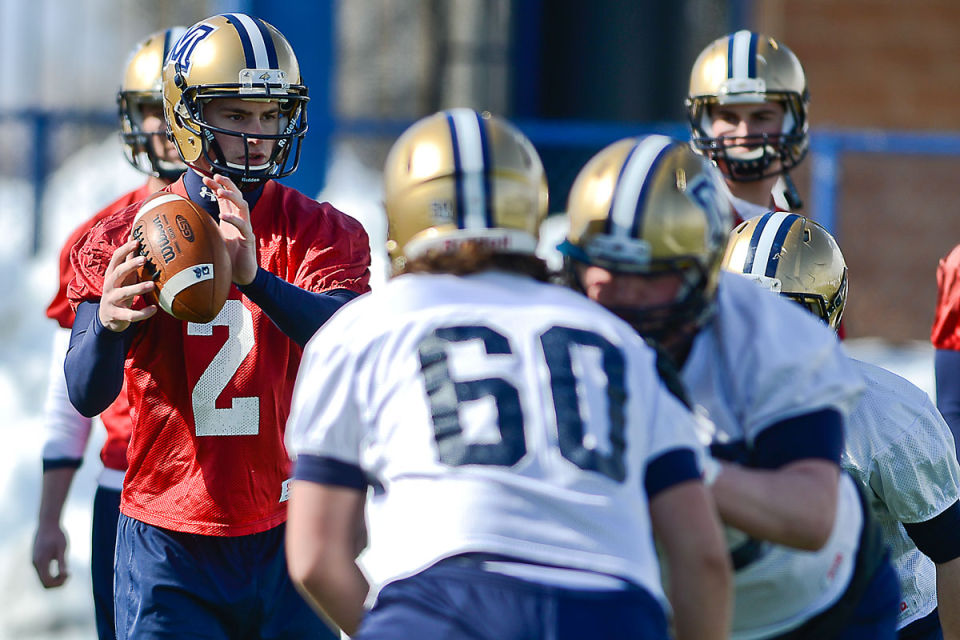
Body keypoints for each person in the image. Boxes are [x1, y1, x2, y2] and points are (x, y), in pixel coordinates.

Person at [283, 108, 733, 640]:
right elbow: (703, 559)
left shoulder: (362, 329)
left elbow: (315, 557)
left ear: (401, 214)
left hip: (440, 604)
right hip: (609, 609)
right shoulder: (616, 337)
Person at [64, 13, 371, 639]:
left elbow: (351, 342)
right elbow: (86, 392)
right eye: (235, 114)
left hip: (288, 527)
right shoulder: (124, 236)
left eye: (270, 114)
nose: (257, 135)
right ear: (188, 118)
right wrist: (111, 327)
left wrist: (258, 280)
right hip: (169, 536)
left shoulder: (320, 231)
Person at [558, 134, 900, 639]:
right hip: (668, 592)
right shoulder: (551, 327)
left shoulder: (773, 336)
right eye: (606, 266)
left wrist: (676, 465)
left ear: (705, 270)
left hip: (817, 601)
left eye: (651, 273)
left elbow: (809, 516)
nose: (624, 293)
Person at [725, 212, 960, 640]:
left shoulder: (886, 414)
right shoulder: (695, 400)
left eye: (786, 316)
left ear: (829, 312)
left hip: (888, 620)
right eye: (743, 312)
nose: (762, 336)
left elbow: (952, 551)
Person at [31, 26, 186, 640]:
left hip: (246, 495)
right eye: (153, 109)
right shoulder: (100, 237)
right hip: (129, 491)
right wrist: (49, 516)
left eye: (179, 109)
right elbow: (67, 389)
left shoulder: (258, 231)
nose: (167, 127)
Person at [686, 29, 809, 223]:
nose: (744, 134)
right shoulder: (683, 221)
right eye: (728, 118)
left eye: (761, 117)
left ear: (791, 123)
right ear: (704, 125)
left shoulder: (792, 231)